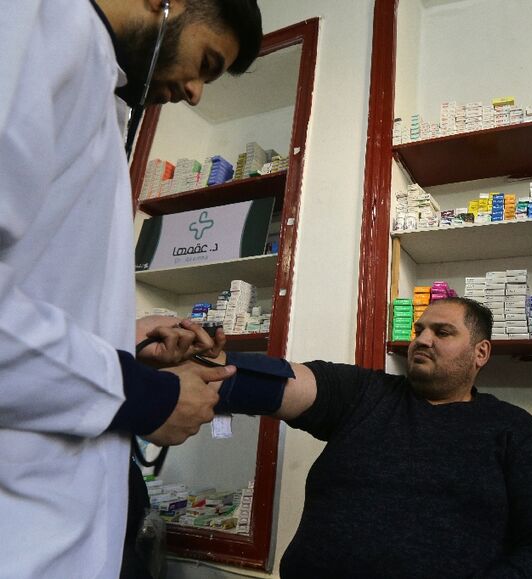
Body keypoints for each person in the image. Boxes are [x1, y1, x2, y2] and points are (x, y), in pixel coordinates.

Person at [0, 0, 261, 577]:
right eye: (206, 64)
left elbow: (36, 289)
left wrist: (128, 339)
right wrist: (144, 395)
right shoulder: (35, 24)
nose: (196, 93)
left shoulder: (103, 93)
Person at [197, 297, 532, 578]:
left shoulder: (515, 430)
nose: (422, 340)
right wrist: (200, 368)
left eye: (442, 332)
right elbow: (283, 383)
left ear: (480, 352)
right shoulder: (364, 393)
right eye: (419, 330)